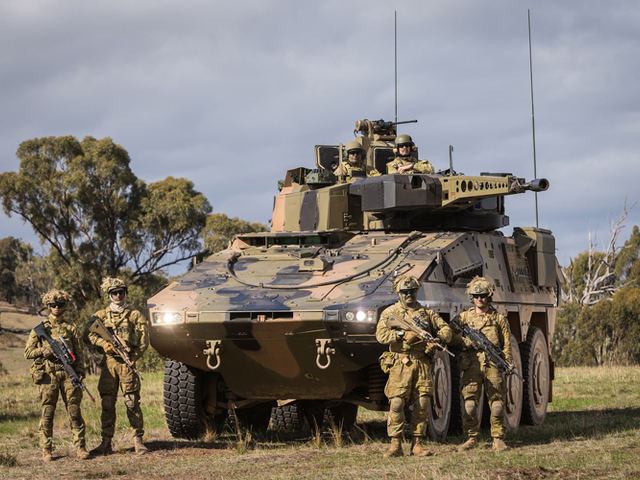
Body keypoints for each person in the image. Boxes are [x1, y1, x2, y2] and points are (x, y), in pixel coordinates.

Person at [375, 275, 452, 457]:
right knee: (396, 403)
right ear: (398, 293)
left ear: (417, 291)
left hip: (422, 363)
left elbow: (446, 330)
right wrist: (402, 334)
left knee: (422, 403)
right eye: (405, 292)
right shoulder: (390, 313)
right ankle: (396, 445)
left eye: (412, 291)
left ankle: (417, 444)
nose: (409, 295)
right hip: (401, 364)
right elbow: (380, 335)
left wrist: (437, 339)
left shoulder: (427, 313)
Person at [86, 277, 150, 455]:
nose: (118, 295)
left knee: (132, 403)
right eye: (114, 293)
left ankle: (138, 441)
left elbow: (144, 342)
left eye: (121, 292)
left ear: (125, 293)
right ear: (109, 295)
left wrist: (133, 357)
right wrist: (103, 344)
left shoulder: (135, 315)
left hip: (127, 365)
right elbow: (87, 335)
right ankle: (106, 443)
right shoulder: (100, 316)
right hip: (109, 366)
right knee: (107, 403)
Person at [24, 290, 90, 462]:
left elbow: (80, 353)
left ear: (65, 306)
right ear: (48, 306)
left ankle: (81, 447)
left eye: (60, 305)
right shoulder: (40, 329)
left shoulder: (71, 328)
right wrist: (43, 350)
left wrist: (80, 371)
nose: (56, 308)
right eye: (53, 305)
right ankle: (47, 449)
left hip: (68, 374)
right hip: (48, 375)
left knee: (74, 411)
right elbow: (27, 352)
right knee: (47, 412)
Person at [453, 276, 513, 452]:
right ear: (471, 297)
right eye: (476, 296)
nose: (480, 299)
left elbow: (507, 345)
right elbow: (448, 335)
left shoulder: (499, 320)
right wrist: (464, 342)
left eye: (483, 295)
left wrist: (508, 363)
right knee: (470, 404)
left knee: (497, 404)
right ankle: (471, 437)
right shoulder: (464, 317)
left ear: (489, 296)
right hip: (471, 365)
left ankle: (498, 438)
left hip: (493, 365)